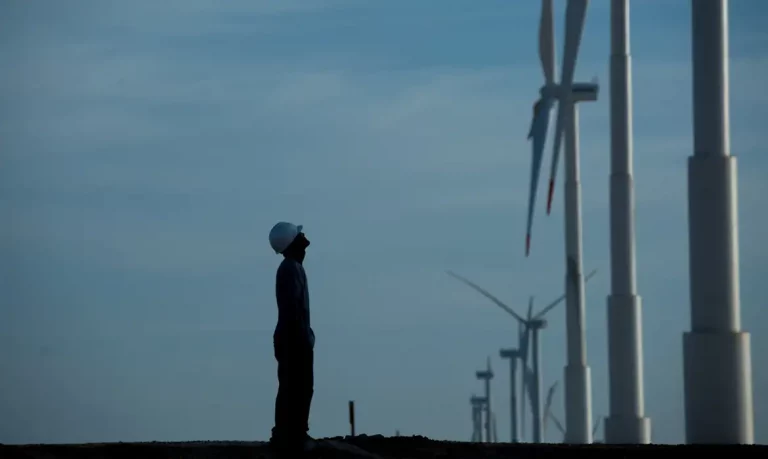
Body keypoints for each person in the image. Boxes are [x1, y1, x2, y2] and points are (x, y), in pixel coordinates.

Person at [268, 221, 316, 454]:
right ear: (293, 241)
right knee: (296, 386)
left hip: (294, 337)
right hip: (293, 339)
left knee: (296, 386)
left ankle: (293, 433)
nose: (305, 237)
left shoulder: (292, 267)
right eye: (300, 235)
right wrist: (303, 338)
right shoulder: (290, 269)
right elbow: (292, 310)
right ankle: (292, 434)